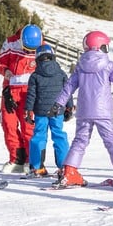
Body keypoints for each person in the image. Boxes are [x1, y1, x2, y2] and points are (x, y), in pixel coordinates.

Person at [50, 30, 113, 189]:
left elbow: (69, 86)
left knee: (80, 141)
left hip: (84, 111)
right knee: (112, 141)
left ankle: (69, 172)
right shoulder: (108, 65)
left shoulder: (80, 66)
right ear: (101, 47)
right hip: (103, 112)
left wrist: (58, 103)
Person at [0, 23, 42, 173]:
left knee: (29, 126)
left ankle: (31, 159)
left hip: (30, 92)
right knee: (8, 125)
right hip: (11, 90)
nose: (28, 52)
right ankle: (16, 159)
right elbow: (0, 62)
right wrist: (6, 70)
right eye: (26, 48)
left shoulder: (44, 46)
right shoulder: (10, 43)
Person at [24, 43, 73, 178]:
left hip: (41, 111)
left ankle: (37, 167)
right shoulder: (61, 73)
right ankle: (64, 167)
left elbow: (31, 95)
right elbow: (67, 91)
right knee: (59, 136)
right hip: (57, 110)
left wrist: (28, 110)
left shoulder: (35, 75)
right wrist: (69, 106)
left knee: (39, 136)